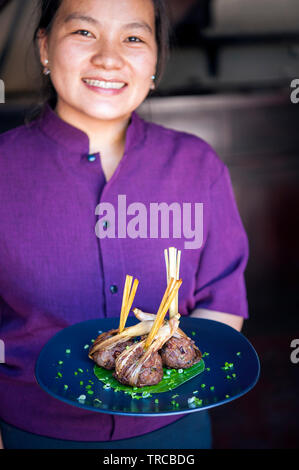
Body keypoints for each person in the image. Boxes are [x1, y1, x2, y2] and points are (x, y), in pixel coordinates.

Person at [0, 0, 248, 449]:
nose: (109, 57)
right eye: (84, 33)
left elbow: (224, 299)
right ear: (44, 47)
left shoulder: (198, 164)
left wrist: (173, 353)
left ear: (155, 60)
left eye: (133, 37)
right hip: (31, 429)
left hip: (174, 429)